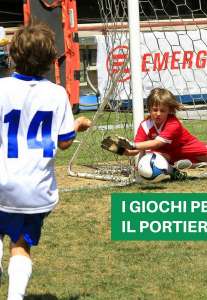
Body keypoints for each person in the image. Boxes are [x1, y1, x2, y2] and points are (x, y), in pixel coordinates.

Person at [0, 22, 91, 300]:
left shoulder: (1, 88)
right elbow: (63, 142)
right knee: (20, 245)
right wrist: (76, 125)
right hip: (35, 187)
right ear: (52, 61)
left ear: (13, 56)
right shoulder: (56, 93)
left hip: (2, 179)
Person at [123, 87, 207, 179]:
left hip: (187, 147)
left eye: (162, 110)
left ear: (170, 110)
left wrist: (133, 145)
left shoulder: (173, 123)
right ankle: (174, 173)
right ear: (149, 109)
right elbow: (136, 149)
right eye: (154, 110)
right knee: (148, 157)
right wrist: (125, 151)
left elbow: (156, 142)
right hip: (164, 154)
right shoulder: (145, 125)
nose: (158, 114)